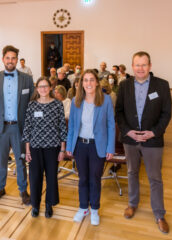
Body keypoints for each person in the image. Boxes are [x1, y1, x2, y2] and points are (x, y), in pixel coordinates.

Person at [115, 51, 172, 234]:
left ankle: (159, 214)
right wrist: (127, 131)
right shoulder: (123, 86)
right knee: (131, 172)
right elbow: (119, 112)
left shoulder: (162, 86)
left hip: (153, 140)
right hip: (130, 139)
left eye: (144, 64)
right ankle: (132, 204)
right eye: (137, 65)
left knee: (155, 177)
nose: (140, 68)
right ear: (132, 66)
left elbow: (166, 113)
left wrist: (153, 132)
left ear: (150, 66)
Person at [66, 69, 115, 226]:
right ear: (81, 84)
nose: (88, 83)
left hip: (97, 146)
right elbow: (72, 125)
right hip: (80, 145)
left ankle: (94, 208)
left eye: (91, 80)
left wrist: (110, 148)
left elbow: (110, 125)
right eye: (85, 80)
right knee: (83, 179)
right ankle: (83, 208)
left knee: (94, 179)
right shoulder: (75, 101)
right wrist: (69, 145)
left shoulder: (106, 100)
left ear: (97, 82)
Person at [0, 45, 34, 205]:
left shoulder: (27, 79)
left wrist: (30, 128)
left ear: (17, 60)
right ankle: (0, 188)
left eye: (13, 58)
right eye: (8, 58)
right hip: (1, 128)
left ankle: (23, 191)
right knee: (2, 160)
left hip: (19, 127)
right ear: (3, 59)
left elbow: (32, 105)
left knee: (20, 161)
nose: (10, 61)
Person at [22, 77, 67, 218]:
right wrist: (27, 150)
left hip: (53, 147)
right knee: (35, 177)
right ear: (37, 89)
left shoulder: (57, 105)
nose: (43, 89)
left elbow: (62, 129)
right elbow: (27, 129)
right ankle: (35, 205)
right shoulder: (32, 105)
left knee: (52, 177)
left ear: (50, 88)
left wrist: (62, 149)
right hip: (35, 147)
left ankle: (49, 204)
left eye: (45, 86)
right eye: (40, 86)